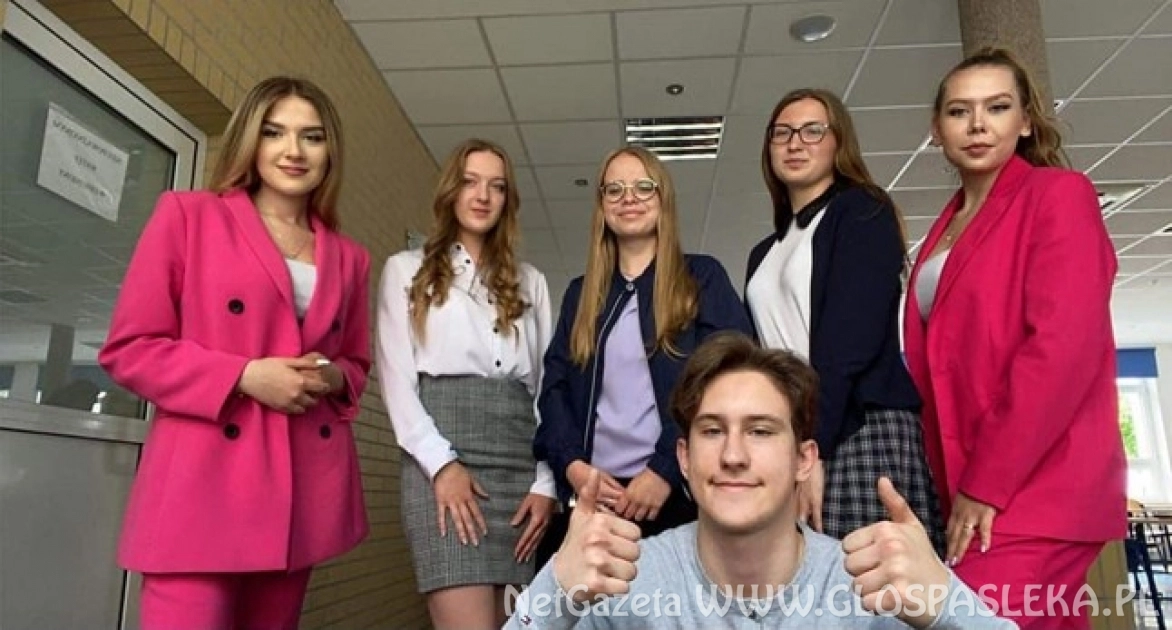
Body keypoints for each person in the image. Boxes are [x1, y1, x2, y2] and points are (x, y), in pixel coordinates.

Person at [507, 333, 1017, 629]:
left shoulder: (868, 587)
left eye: (760, 431)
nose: (733, 456)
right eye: (712, 431)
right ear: (683, 458)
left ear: (804, 460)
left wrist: (949, 604)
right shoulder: (627, 581)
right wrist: (553, 592)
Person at [99, 77, 370, 629]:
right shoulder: (189, 216)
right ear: (250, 139)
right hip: (204, 483)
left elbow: (356, 363)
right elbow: (130, 348)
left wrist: (330, 377)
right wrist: (245, 375)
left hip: (300, 488)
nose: (293, 150)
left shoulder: (349, 257)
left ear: (330, 152)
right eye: (274, 132)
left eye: (312, 136)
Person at [903, 47, 1126, 628]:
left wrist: (987, 485)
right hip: (972, 482)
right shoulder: (945, 227)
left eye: (997, 107)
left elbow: (1061, 350)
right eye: (959, 111)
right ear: (937, 129)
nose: (978, 124)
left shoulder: (1058, 194)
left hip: (1037, 484)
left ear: (1026, 120)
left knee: (971, 618)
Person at [534, 147, 754, 566]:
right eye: (614, 189)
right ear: (601, 206)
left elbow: (731, 378)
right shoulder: (581, 295)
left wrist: (665, 469)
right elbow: (554, 390)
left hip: (678, 493)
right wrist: (574, 467)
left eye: (643, 186)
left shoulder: (701, 278)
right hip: (597, 500)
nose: (628, 198)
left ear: (662, 198)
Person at [745, 88, 944, 550]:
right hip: (797, 430)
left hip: (857, 425)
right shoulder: (765, 251)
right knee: (803, 576)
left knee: (868, 579)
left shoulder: (861, 211)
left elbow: (849, 343)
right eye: (782, 133)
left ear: (839, 142)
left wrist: (816, 445)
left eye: (813, 131)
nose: (795, 143)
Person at [376, 138, 556, 629]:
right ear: (450, 191)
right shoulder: (405, 271)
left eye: (497, 186)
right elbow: (397, 384)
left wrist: (546, 482)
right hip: (442, 463)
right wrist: (443, 466)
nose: (483, 196)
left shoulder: (531, 281)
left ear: (508, 200)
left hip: (519, 472)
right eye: (471, 182)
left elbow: (547, 392)